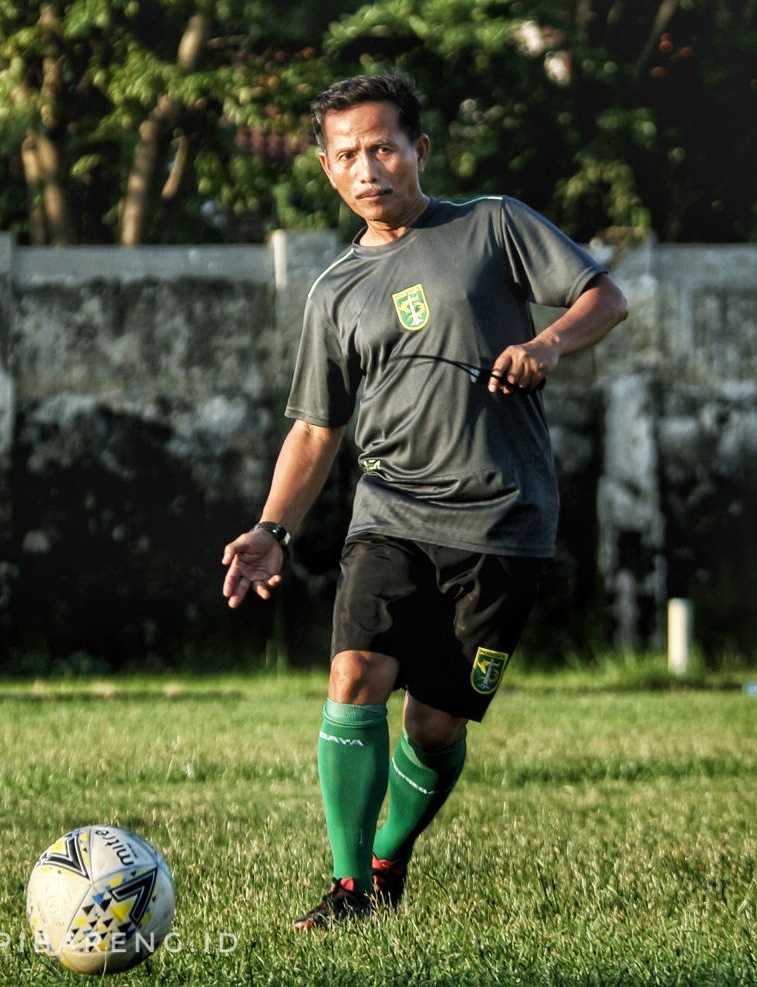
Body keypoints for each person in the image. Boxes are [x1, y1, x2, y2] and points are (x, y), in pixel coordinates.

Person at [221, 69, 627, 930]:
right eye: (346, 155)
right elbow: (316, 430)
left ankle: (388, 855)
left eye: (381, 146)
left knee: (436, 727)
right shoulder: (333, 291)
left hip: (504, 521)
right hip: (390, 514)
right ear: (327, 170)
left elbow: (605, 295)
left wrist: (547, 342)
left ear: (418, 151)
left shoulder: (492, 225)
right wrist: (270, 529)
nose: (366, 167)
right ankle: (347, 888)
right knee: (353, 676)